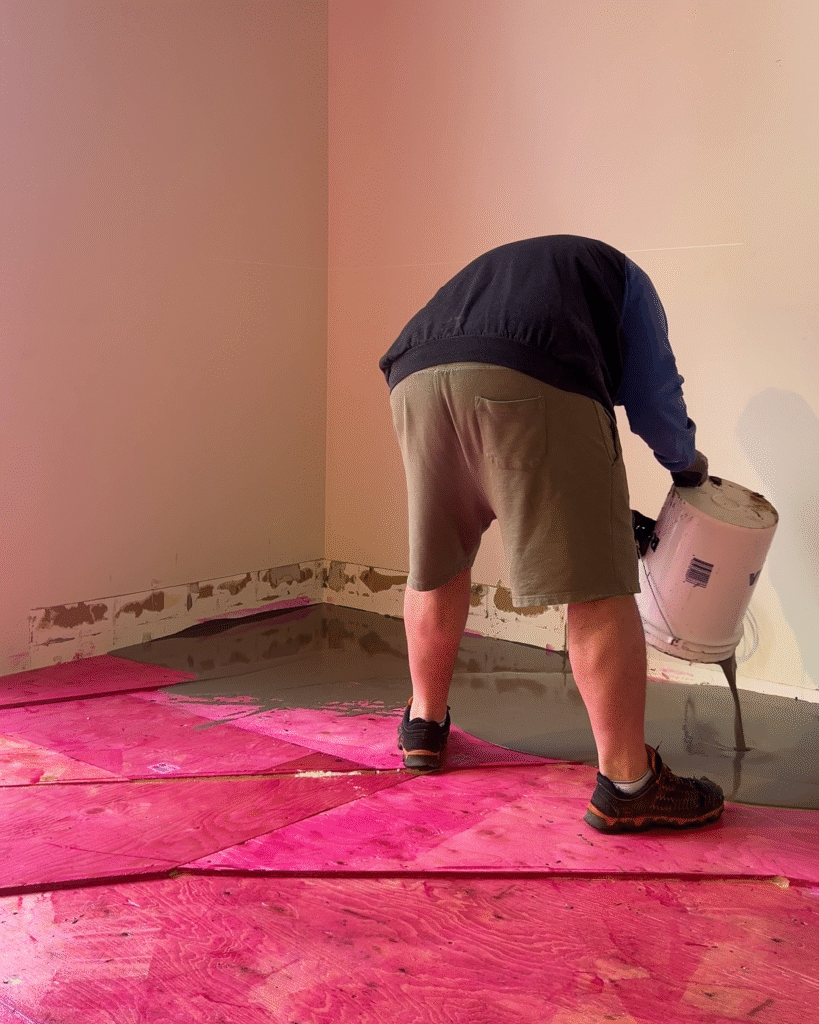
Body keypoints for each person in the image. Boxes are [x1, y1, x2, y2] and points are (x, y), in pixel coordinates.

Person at [379, 234, 724, 834]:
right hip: (530, 372)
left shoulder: (526, 274)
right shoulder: (629, 283)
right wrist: (686, 465)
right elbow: (654, 397)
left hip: (416, 379)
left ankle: (424, 727)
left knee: (438, 561)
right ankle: (629, 782)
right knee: (594, 582)